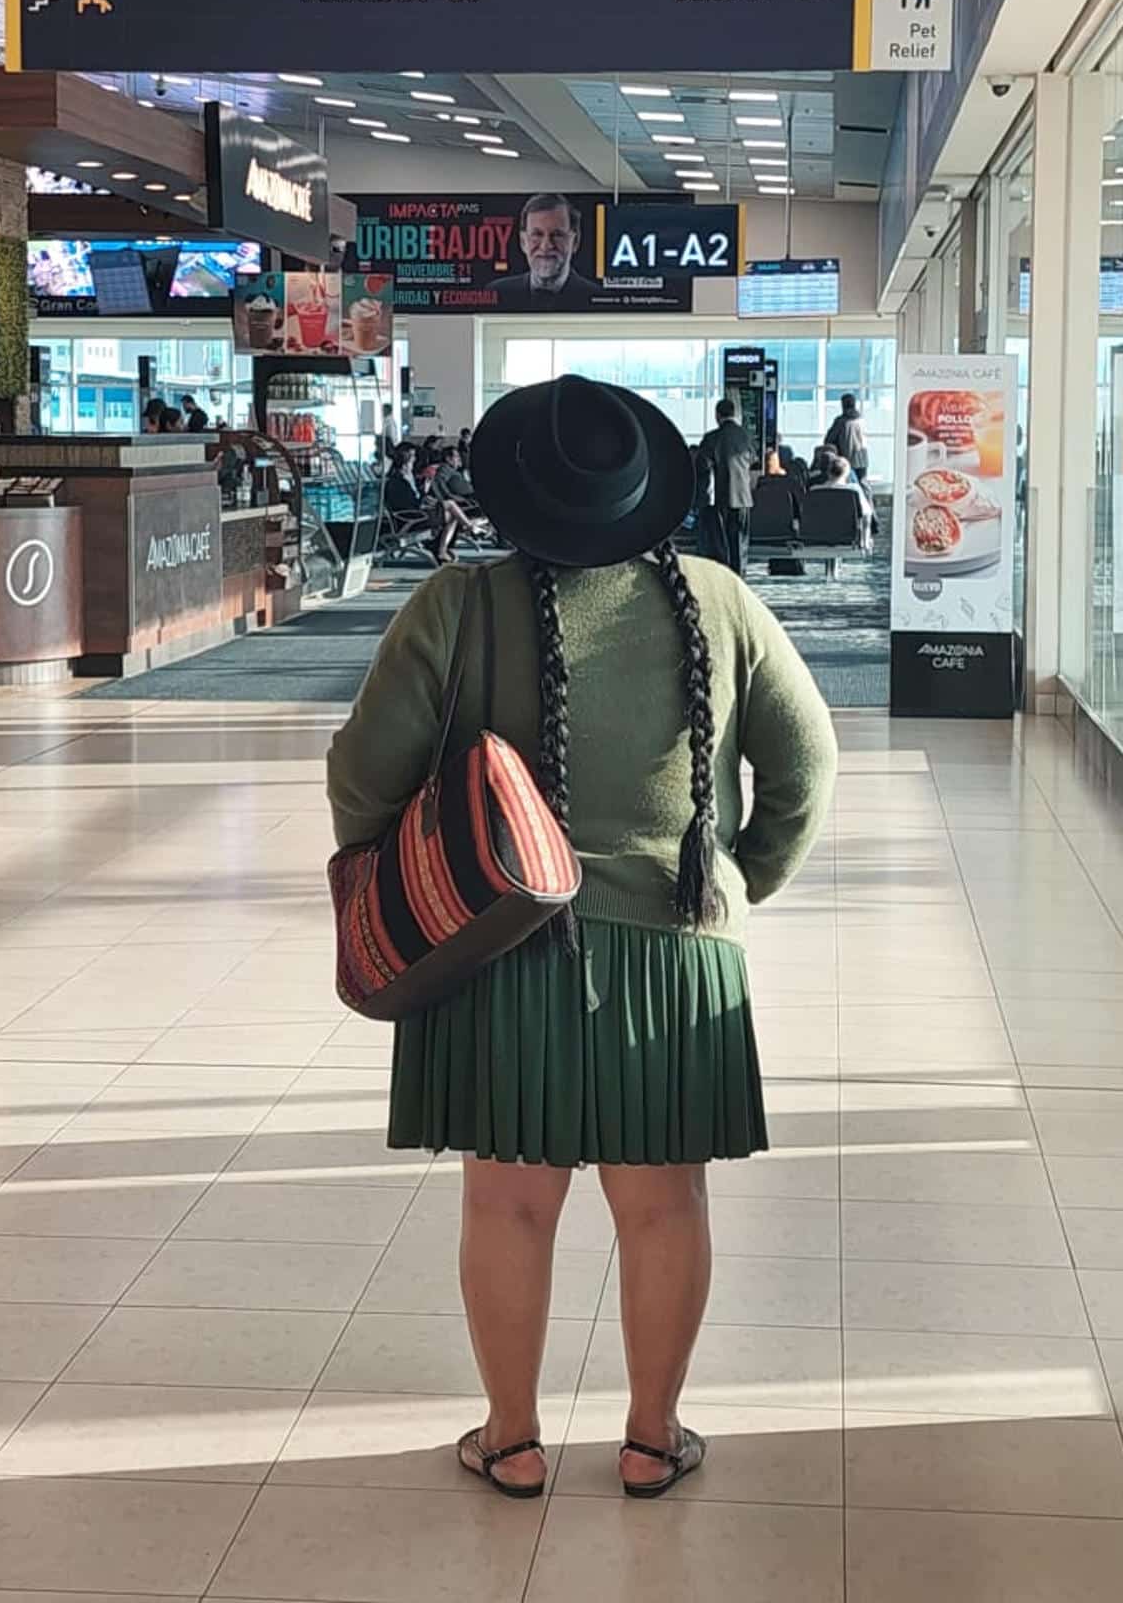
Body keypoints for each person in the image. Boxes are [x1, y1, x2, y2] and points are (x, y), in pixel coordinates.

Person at [328, 375, 837, 1501]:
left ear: (513, 494)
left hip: (499, 947)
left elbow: (361, 777)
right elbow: (808, 765)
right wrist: (738, 881)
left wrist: (396, 872)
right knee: (664, 1207)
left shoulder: (457, 606)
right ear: (644, 490)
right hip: (676, 954)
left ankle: (510, 1442)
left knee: (507, 1203)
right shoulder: (718, 600)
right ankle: (653, 1440)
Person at [491, 194, 598, 311]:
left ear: (575, 242)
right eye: (537, 234)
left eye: (557, 235)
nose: (546, 246)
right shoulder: (498, 293)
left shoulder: (596, 296)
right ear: (523, 242)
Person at [696, 397, 757, 577]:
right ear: (734, 414)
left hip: (719, 498)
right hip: (743, 497)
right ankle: (740, 577)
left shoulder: (711, 438)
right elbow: (753, 460)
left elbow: (703, 466)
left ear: (717, 415)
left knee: (720, 544)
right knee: (739, 543)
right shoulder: (746, 436)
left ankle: (723, 578)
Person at [813, 453, 875, 548]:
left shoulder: (814, 490)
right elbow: (866, 515)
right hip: (848, 537)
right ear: (847, 473)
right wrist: (865, 541)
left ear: (828, 472)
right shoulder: (853, 490)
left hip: (816, 536)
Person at [825, 394, 870, 497]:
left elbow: (829, 439)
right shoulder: (861, 420)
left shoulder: (841, 421)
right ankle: (868, 508)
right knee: (863, 485)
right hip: (862, 459)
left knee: (848, 488)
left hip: (846, 461)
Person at [383, 446, 423, 520]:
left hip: (412, 513)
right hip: (410, 517)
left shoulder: (405, 477)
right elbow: (413, 503)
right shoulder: (400, 481)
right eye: (413, 456)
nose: (415, 459)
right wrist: (424, 491)